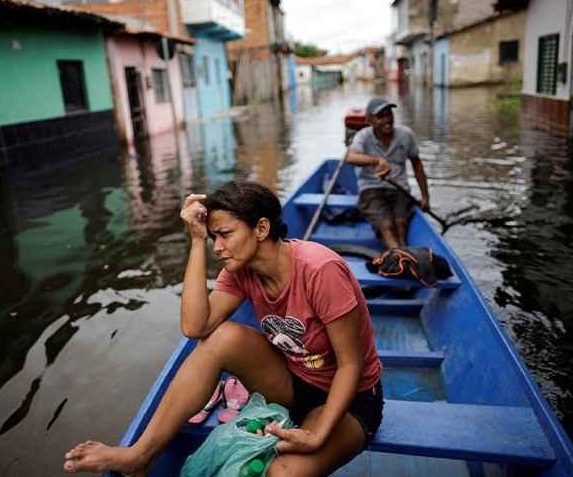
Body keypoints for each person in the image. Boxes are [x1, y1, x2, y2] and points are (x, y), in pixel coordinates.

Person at [63, 181, 384, 476]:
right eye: (214, 237)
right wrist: (196, 239)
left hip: (350, 398)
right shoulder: (241, 270)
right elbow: (195, 326)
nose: (218, 247)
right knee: (219, 338)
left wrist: (316, 436)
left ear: (261, 228)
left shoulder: (320, 270)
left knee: (279, 473)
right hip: (295, 381)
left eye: (225, 234)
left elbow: (350, 365)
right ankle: (140, 455)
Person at [346, 97, 430, 248]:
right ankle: (400, 257)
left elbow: (417, 165)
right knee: (386, 225)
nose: (387, 120)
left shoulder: (406, 135)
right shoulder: (363, 136)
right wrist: (376, 160)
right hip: (371, 189)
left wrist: (425, 197)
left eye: (389, 114)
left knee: (401, 223)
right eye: (380, 116)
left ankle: (403, 253)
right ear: (370, 120)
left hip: (399, 189)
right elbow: (351, 157)